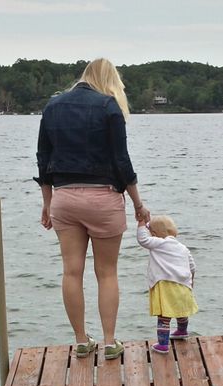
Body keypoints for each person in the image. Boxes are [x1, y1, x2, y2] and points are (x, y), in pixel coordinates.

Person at [36, 58, 150, 361]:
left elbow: (43, 159)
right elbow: (122, 162)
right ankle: (110, 341)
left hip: (64, 198)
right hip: (103, 198)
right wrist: (138, 203)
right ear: (109, 80)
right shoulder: (109, 106)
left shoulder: (53, 107)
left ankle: (81, 341)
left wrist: (47, 203)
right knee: (107, 273)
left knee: (71, 272)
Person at [136, 215, 197, 354]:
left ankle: (163, 344)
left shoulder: (159, 243)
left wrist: (141, 224)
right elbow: (192, 266)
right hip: (183, 285)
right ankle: (182, 331)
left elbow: (142, 240)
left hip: (165, 285)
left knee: (164, 316)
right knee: (181, 311)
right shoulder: (183, 248)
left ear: (155, 234)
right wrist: (191, 281)